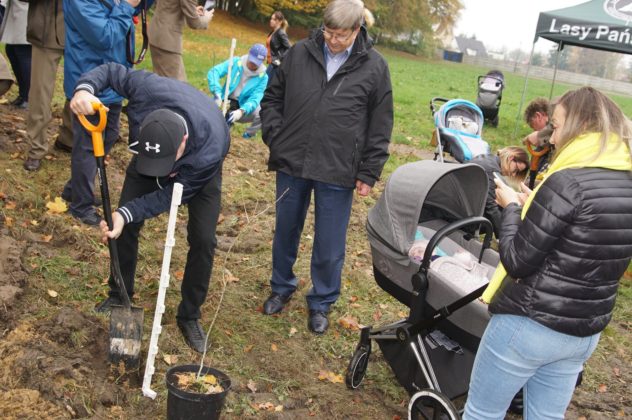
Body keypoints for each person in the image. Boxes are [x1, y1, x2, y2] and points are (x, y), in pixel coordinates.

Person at [464, 86, 632, 419]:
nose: (551, 139)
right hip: (583, 333)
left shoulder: (567, 181)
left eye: (556, 126)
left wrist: (512, 209)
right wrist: (537, 207)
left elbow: (516, 261)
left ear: (580, 126)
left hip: (531, 324)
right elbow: (589, 239)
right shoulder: (624, 180)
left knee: (482, 413)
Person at [70, 62, 230, 353]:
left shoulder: (210, 147)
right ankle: (120, 293)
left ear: (183, 141)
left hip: (198, 174)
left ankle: (189, 315)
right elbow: (108, 71)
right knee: (124, 224)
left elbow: (169, 197)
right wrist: (85, 88)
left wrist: (131, 209)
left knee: (204, 239)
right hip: (149, 156)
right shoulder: (145, 89)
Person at [259, 0, 393, 334]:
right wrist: (276, 136)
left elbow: (380, 123)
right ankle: (280, 287)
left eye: (342, 36)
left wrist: (369, 170)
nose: (333, 41)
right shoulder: (300, 53)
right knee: (286, 228)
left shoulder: (375, 67)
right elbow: (272, 98)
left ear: (357, 30)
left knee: (330, 242)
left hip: (338, 166)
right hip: (292, 159)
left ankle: (321, 302)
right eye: (329, 33)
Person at [61, 0, 140, 226]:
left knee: (110, 135)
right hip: (90, 82)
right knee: (88, 146)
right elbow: (105, 37)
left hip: (113, 80)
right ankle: (81, 206)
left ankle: (74, 189)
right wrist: (127, 6)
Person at [22, 0, 74, 172]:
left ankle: (68, 138)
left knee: (80, 88)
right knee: (40, 94)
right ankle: (36, 148)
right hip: (47, 31)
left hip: (84, 30)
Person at [207, 43, 268, 140]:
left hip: (244, 107)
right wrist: (217, 92)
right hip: (225, 101)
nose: (252, 65)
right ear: (249, 54)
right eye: (252, 60)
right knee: (212, 125)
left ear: (263, 61)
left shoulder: (263, 77)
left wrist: (241, 111)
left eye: (256, 63)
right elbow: (214, 72)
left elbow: (255, 98)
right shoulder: (236, 62)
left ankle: (248, 135)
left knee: (263, 111)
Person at [470, 147, 528, 238]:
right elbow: (490, 207)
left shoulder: (488, 158)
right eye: (516, 169)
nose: (513, 175)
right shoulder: (492, 171)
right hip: (463, 217)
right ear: (511, 158)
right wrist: (505, 236)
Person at [149, 0, 213, 81]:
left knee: (161, 84)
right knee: (175, 88)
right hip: (168, 42)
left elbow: (170, 5)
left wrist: (192, 11)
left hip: (158, 34)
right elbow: (194, 23)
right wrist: (206, 18)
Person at [0, 0, 30, 109]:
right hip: (15, 9)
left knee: (22, 52)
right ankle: (23, 95)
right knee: (11, 50)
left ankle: (28, 97)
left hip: (27, 10)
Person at [523, 97, 554, 188]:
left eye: (533, 125)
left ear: (538, 116)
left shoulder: (558, 124)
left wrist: (539, 136)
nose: (534, 130)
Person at [265, 11, 291, 85]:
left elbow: (289, 48)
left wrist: (279, 60)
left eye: (273, 19)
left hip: (275, 65)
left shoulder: (281, 33)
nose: (271, 21)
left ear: (279, 22)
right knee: (265, 84)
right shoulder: (273, 32)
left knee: (266, 85)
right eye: (271, 19)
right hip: (271, 63)